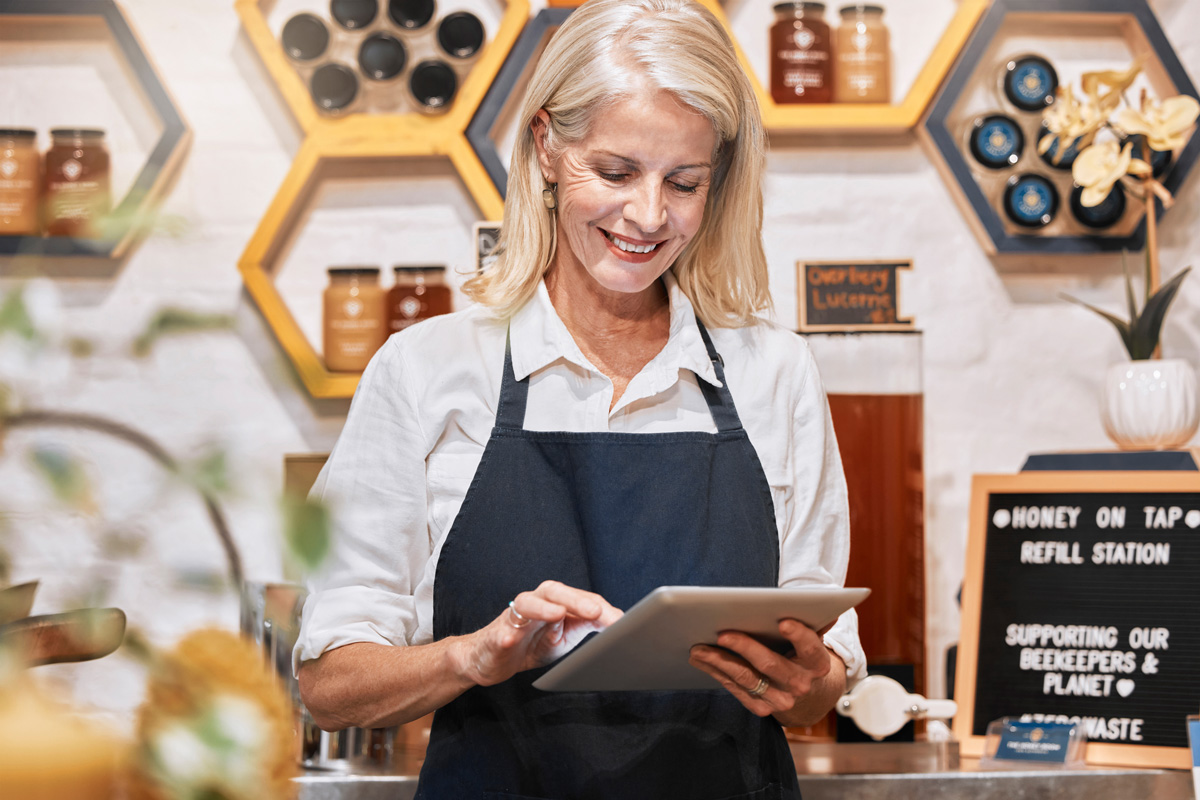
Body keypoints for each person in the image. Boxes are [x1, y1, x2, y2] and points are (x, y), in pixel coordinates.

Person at [295, 0, 865, 796]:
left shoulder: (775, 372)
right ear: (546, 149)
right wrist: (473, 655)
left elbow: (819, 665)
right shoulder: (426, 370)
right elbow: (328, 684)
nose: (649, 215)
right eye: (617, 172)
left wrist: (810, 683)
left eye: (684, 182)